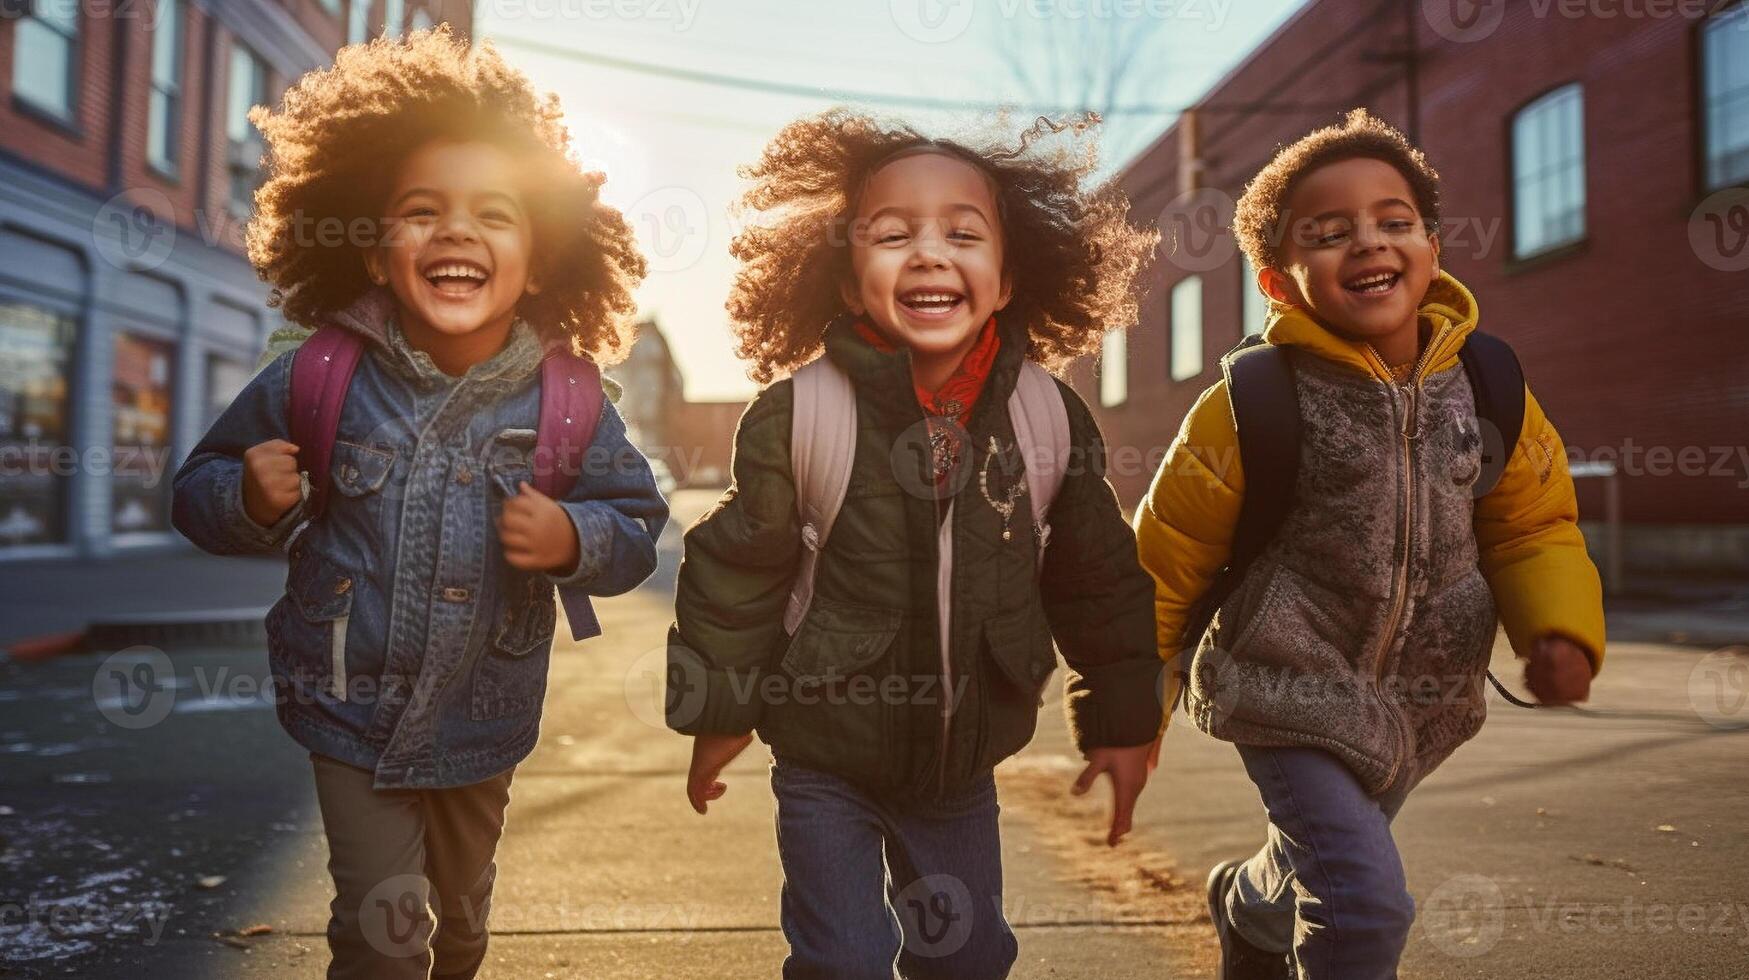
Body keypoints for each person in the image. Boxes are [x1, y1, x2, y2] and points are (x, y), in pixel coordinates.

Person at [170, 28, 667, 980]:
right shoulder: (316, 373)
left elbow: (637, 524)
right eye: (420, 210)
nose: (456, 232)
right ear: (369, 248)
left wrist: (574, 537)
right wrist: (248, 496)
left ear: (540, 255)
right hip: (348, 705)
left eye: (495, 214)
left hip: (484, 711)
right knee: (381, 926)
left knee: (459, 916)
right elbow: (197, 492)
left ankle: (462, 946)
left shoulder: (567, 397)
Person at [668, 109, 1164, 979]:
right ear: (849, 280)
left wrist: (1122, 718)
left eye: (962, 234)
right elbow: (738, 570)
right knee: (844, 960)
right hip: (823, 755)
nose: (929, 252)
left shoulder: (1043, 417)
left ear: (1008, 279)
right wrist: (718, 713)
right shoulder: (801, 414)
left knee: (969, 957)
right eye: (892, 234)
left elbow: (1096, 579)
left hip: (959, 766)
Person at [1134, 108, 1606, 980]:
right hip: (1282, 684)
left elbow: (1532, 523)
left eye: (1394, 221)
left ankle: (1245, 903)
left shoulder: (1491, 384)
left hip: (1424, 698)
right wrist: (1130, 704)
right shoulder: (1250, 402)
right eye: (1329, 231)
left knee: (1318, 856)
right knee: (1362, 904)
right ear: (1277, 281)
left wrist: (1560, 631)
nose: (1367, 242)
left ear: (1430, 247)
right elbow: (1168, 560)